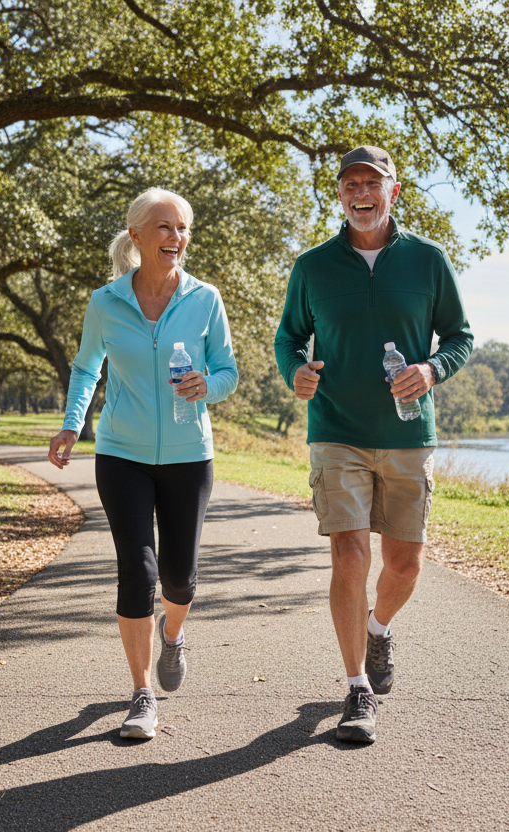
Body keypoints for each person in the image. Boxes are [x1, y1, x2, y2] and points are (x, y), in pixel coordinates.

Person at [274, 146, 473, 743]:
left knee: (405, 562)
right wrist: (296, 373)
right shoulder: (313, 266)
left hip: (408, 433)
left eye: (372, 182)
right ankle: (358, 687)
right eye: (349, 183)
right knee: (348, 555)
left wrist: (433, 368)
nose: (360, 192)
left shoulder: (428, 260)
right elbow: (289, 338)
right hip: (337, 432)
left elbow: (460, 336)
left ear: (393, 189)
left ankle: (379, 626)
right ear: (339, 193)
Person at [49, 187, 238, 740]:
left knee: (179, 578)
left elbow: (228, 371)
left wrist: (208, 386)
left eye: (182, 228)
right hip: (121, 453)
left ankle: (173, 636)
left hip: (188, 454)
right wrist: (72, 423)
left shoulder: (205, 299)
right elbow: (87, 368)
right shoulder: (106, 301)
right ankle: (141, 694)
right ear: (136, 235)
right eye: (164, 227)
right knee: (139, 570)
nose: (176, 237)